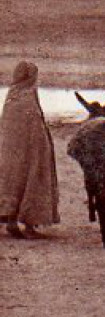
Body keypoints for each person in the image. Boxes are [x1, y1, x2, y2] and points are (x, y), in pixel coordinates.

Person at [0, 61, 60, 238]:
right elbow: (35, 130)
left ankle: (11, 220)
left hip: (10, 154)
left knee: (12, 184)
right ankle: (28, 225)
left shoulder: (12, 96)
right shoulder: (27, 99)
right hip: (30, 154)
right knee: (29, 184)